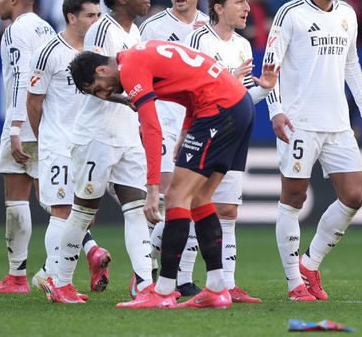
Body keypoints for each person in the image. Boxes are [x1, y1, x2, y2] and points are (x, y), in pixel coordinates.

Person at [67, 40, 278, 309]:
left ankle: (163, 290)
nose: (105, 94)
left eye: (98, 88)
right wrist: (186, 131)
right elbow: (191, 90)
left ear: (101, 70)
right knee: (200, 198)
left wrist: (152, 188)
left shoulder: (129, 69)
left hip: (218, 109)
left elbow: (151, 127)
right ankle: (216, 288)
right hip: (237, 105)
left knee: (176, 196)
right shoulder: (141, 53)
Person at [264, 0, 362, 302]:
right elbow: (270, 67)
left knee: (354, 195)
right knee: (294, 198)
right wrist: (275, 111)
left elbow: (351, 64)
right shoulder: (291, 14)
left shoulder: (347, 13)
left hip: (338, 123)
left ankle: (310, 264)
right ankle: (293, 283)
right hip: (299, 123)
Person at [47, 0, 153, 305]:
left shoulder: (135, 31)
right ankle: (61, 284)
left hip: (127, 135)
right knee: (83, 212)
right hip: (96, 136)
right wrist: (127, 99)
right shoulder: (101, 30)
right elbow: (86, 79)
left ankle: (145, 285)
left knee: (136, 209)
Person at [185, 0, 267, 304]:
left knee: (229, 210)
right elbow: (191, 90)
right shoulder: (199, 39)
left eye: (247, 2)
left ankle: (228, 284)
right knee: (191, 204)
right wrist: (229, 81)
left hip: (234, 132)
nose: (247, 8)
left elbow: (242, 97)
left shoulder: (243, 45)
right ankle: (178, 279)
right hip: (205, 130)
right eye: (240, 2)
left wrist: (265, 89)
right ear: (219, 8)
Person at [26, 0, 110, 300]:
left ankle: (52, 275)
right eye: (90, 15)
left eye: (99, 15)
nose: (96, 21)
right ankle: (57, 282)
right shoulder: (49, 52)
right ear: (71, 17)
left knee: (84, 214)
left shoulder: (99, 51)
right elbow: (34, 102)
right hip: (58, 142)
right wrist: (46, 139)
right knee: (62, 210)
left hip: (87, 143)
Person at [0, 0, 56, 294]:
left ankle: (18, 277)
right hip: (47, 121)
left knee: (20, 197)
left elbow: (22, 79)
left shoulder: (14, 31)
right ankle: (89, 249)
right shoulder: (46, 28)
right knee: (47, 196)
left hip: (23, 123)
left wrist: (14, 127)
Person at [138, 0, 208, 298]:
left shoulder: (209, 28)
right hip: (163, 121)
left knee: (191, 200)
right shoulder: (152, 28)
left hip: (197, 122)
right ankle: (146, 268)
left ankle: (180, 276)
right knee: (170, 200)